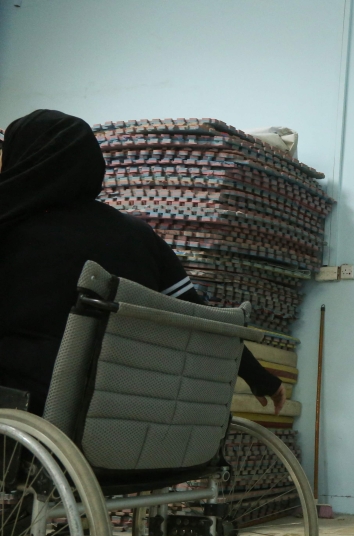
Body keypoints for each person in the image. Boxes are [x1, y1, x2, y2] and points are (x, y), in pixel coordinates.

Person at [0, 109, 284, 416]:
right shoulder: (138, 236)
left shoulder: (9, 229)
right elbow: (201, 320)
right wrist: (261, 378)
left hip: (26, 414)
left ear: (24, 157)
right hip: (121, 415)